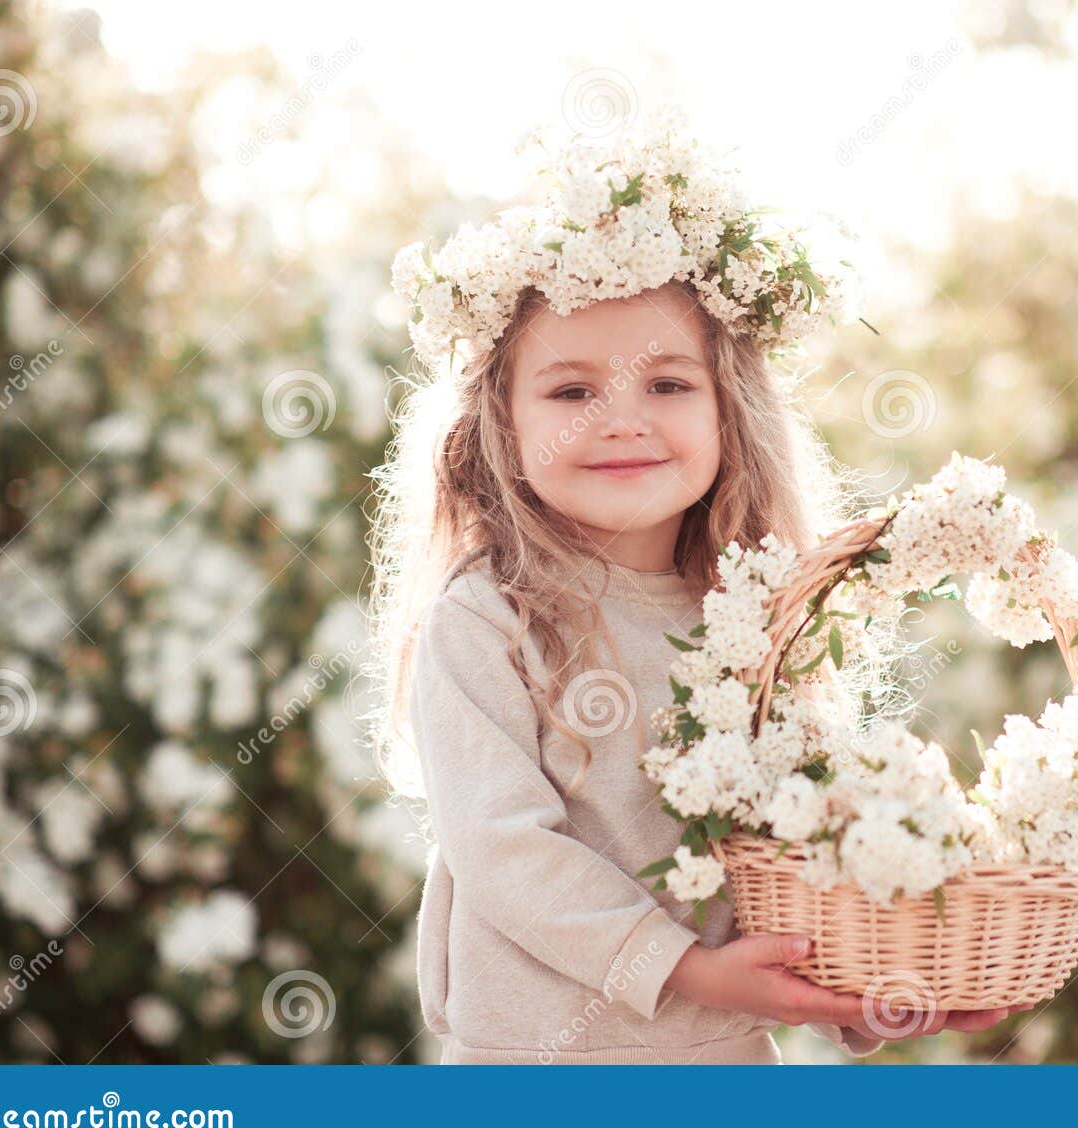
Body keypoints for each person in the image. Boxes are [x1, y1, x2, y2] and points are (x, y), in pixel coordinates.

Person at [366, 108, 1029, 1063]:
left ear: (732, 414)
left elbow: (794, 845)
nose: (622, 420)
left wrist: (866, 993)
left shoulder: (758, 616)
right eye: (571, 391)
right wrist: (684, 965)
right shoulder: (486, 620)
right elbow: (504, 851)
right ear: (501, 428)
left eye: (667, 384)